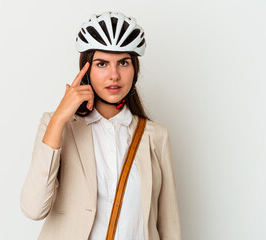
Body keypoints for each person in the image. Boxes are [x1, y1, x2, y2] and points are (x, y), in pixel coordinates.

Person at [20, 11, 181, 240]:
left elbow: (170, 228)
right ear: (86, 70)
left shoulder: (155, 136)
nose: (114, 75)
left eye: (123, 63)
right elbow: (33, 209)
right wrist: (59, 120)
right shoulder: (58, 126)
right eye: (102, 64)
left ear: (135, 70)